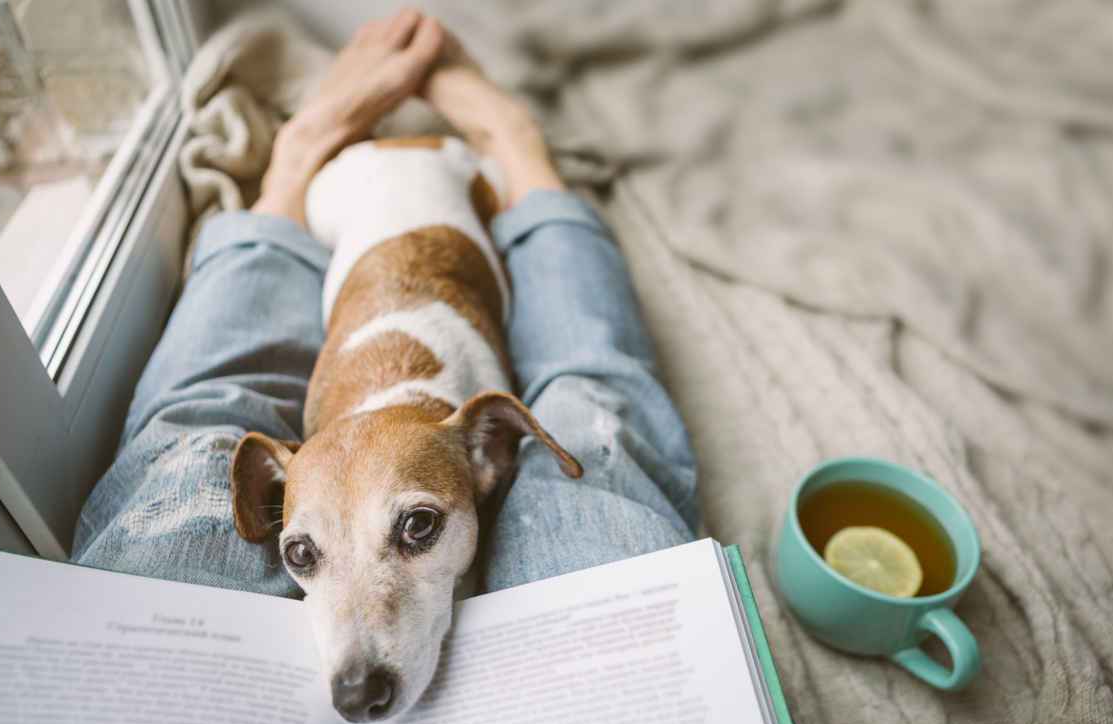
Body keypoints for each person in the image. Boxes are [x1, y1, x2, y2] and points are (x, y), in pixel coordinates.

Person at [72, 9, 698, 597]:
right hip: (375, 206)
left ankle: (353, 162)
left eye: (418, 527)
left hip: (446, 183)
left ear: (490, 454)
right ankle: (512, 161)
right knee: (592, 401)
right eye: (302, 554)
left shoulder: (468, 444)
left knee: (196, 429)